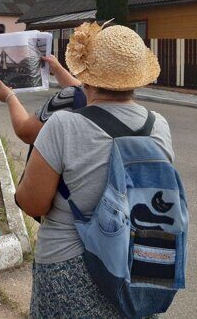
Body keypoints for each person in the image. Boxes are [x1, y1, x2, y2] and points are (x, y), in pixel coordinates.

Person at [14, 22, 174, 318]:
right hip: (135, 266)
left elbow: (32, 202)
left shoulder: (64, 126)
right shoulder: (158, 126)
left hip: (68, 264)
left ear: (85, 75)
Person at [0, 54, 85, 145]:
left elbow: (26, 133)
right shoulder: (92, 96)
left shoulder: (69, 96)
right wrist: (57, 69)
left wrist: (9, 96)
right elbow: (81, 88)